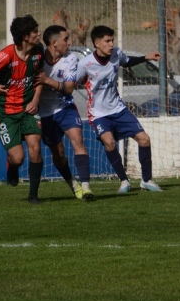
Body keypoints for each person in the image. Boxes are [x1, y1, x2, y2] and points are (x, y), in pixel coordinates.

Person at [77, 25, 163, 194]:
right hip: (98, 114)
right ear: (96, 43)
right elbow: (74, 81)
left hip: (119, 109)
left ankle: (147, 180)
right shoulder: (85, 64)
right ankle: (124, 181)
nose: (111, 44)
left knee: (144, 139)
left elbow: (127, 61)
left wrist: (146, 57)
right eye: (107, 41)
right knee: (109, 143)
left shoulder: (116, 54)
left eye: (112, 40)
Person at [0, 15, 46, 204]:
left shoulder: (38, 52)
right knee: (18, 157)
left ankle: (33, 195)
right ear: (25, 36)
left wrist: (35, 100)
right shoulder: (6, 55)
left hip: (28, 109)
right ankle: (12, 167)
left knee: (35, 148)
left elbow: (40, 78)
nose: (39, 34)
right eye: (35, 31)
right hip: (7, 113)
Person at [36, 24, 95, 201]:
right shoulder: (37, 59)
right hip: (46, 113)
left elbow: (69, 89)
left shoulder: (70, 59)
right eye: (66, 39)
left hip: (65, 107)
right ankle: (73, 184)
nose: (69, 43)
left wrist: (47, 81)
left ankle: (86, 188)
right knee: (58, 153)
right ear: (54, 43)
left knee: (78, 140)